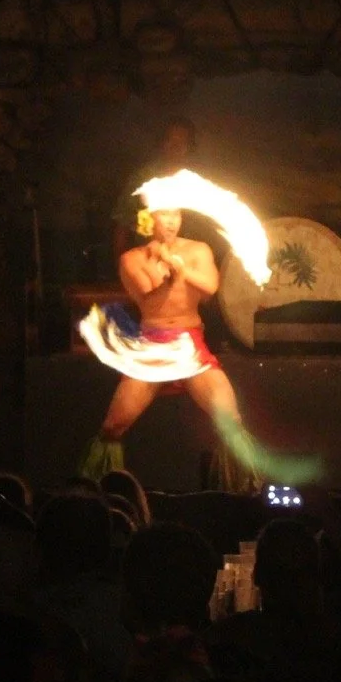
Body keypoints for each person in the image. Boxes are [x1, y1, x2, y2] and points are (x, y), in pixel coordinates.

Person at [79, 205, 247, 479]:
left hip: (191, 347)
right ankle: (99, 490)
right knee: (112, 427)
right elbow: (148, 300)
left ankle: (240, 491)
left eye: (176, 215)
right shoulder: (132, 259)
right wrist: (170, 280)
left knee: (231, 420)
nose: (171, 221)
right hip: (152, 348)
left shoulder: (198, 250)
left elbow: (210, 287)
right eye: (164, 215)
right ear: (148, 219)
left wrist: (179, 268)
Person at [108, 117, 200, 266]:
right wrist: (122, 267)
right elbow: (122, 224)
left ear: (190, 146)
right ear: (162, 143)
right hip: (147, 261)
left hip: (187, 262)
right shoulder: (143, 178)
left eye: (182, 142)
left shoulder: (197, 182)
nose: (176, 146)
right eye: (171, 140)